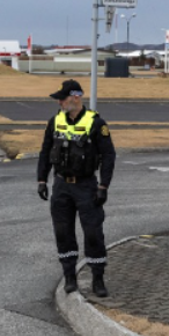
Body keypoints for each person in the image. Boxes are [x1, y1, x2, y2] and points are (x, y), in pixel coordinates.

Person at [36, 79, 116, 297]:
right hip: (61, 185)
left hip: (86, 186)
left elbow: (108, 155)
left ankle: (97, 279)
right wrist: (41, 180)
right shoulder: (55, 121)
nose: (60, 102)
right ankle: (69, 277)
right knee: (63, 232)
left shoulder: (96, 123)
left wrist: (103, 186)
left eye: (63, 98)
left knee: (92, 233)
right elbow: (45, 151)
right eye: (60, 99)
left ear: (76, 97)